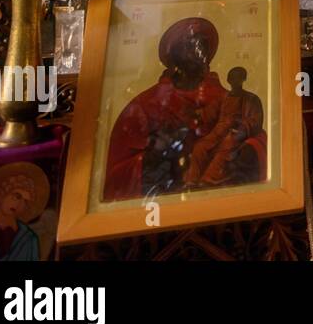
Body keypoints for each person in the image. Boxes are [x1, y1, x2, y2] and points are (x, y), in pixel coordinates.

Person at [103, 17, 266, 201]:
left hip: (226, 206)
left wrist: (249, 148)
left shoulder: (226, 97)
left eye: (203, 45)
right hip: (164, 208)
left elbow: (258, 136)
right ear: (174, 55)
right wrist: (156, 156)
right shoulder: (146, 104)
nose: (199, 51)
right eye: (190, 45)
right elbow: (115, 177)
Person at [183, 66, 265, 187]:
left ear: (243, 79)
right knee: (200, 147)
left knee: (226, 146)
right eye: (232, 77)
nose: (234, 81)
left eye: (238, 78)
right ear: (228, 79)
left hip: (235, 132)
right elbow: (209, 113)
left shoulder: (251, 99)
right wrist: (197, 114)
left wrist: (241, 130)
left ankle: (208, 180)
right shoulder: (224, 98)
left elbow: (255, 120)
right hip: (217, 132)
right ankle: (192, 180)